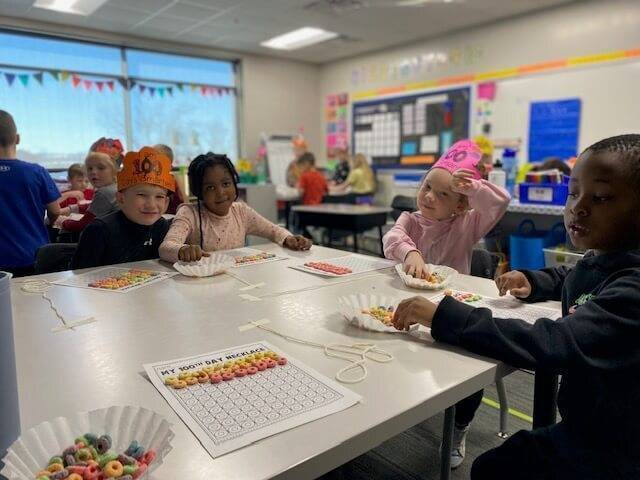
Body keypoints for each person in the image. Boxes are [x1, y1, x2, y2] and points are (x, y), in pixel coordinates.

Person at [391, 134, 640, 479]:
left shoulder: (633, 288)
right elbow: (576, 274)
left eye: (600, 197)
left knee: (493, 469)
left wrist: (445, 316)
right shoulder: (606, 259)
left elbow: (554, 343)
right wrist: (535, 281)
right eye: (573, 193)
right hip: (591, 422)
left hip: (616, 447)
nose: (578, 207)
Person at [159, 152, 312, 263]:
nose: (221, 193)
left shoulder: (241, 211)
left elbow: (274, 230)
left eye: (226, 184)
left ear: (234, 183)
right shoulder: (189, 213)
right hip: (199, 284)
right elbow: (165, 247)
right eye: (210, 187)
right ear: (198, 192)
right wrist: (182, 250)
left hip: (236, 282)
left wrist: (288, 238)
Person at [71, 147, 174, 269]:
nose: (151, 205)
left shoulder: (162, 226)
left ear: (166, 203)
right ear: (121, 199)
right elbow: (80, 276)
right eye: (141, 195)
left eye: (159, 197)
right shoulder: (99, 230)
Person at [0, 110, 61, 277]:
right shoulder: (36, 172)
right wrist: (48, 222)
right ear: (17, 139)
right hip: (32, 255)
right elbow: (55, 211)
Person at [60, 151, 119, 232]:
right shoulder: (115, 188)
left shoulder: (104, 193)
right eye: (90, 169)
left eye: (101, 168)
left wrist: (62, 222)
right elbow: (93, 207)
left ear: (114, 171)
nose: (93, 172)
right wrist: (70, 209)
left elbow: (83, 225)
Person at [153, 143, 184, 215]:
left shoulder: (172, 180)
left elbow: (183, 201)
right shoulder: (149, 179)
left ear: (170, 166)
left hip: (172, 215)